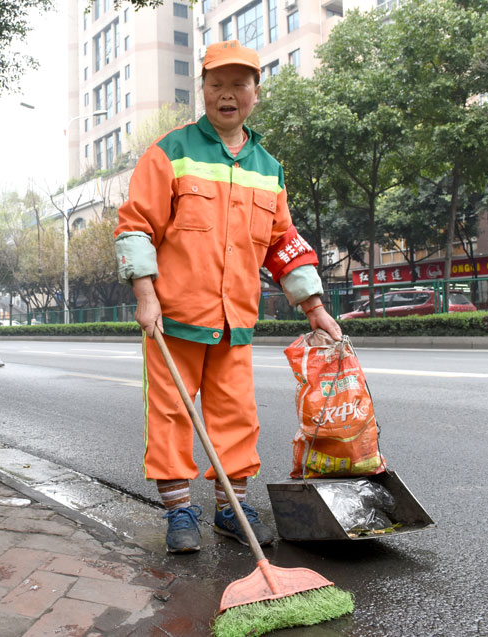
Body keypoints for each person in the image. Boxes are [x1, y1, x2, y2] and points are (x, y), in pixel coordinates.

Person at [113, 40, 342, 554]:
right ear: (203, 90)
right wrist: (145, 294)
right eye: (216, 84)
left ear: (255, 93)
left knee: (236, 415)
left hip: (236, 319)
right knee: (171, 413)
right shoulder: (170, 152)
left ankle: (229, 510)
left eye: (239, 84)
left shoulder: (269, 167)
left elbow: (284, 242)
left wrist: (316, 308)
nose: (227, 94)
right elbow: (135, 226)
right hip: (173, 319)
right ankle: (179, 513)